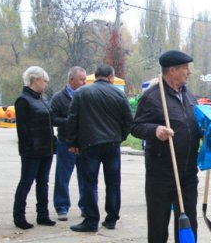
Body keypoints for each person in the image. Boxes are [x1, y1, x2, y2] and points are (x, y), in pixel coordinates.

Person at [131, 50, 208, 243]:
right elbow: (136, 127)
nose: (189, 72)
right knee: (159, 219)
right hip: (161, 171)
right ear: (172, 70)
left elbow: (193, 123)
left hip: (187, 170)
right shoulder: (153, 97)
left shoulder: (189, 95)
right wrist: (156, 131)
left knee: (188, 218)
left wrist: (207, 130)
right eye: (185, 68)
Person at [66, 65, 133, 233]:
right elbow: (128, 120)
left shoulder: (82, 93)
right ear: (111, 77)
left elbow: (73, 118)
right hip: (112, 144)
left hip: (89, 144)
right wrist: (120, 137)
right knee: (113, 183)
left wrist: (73, 142)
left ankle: (91, 220)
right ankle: (111, 219)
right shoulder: (119, 94)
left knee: (89, 183)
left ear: (95, 77)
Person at [13, 66, 57, 229]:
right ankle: (19, 216)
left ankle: (43, 215)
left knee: (43, 183)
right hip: (32, 151)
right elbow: (22, 130)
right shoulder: (23, 100)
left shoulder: (40, 99)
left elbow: (51, 121)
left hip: (46, 149)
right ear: (35, 80)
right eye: (44, 81)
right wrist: (29, 148)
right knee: (26, 182)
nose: (45, 84)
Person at [50, 66, 87, 221]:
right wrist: (70, 122)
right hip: (66, 142)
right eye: (81, 79)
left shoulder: (86, 95)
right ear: (72, 80)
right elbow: (52, 119)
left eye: (85, 79)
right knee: (62, 176)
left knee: (86, 177)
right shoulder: (59, 98)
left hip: (85, 143)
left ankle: (86, 206)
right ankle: (62, 207)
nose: (85, 82)